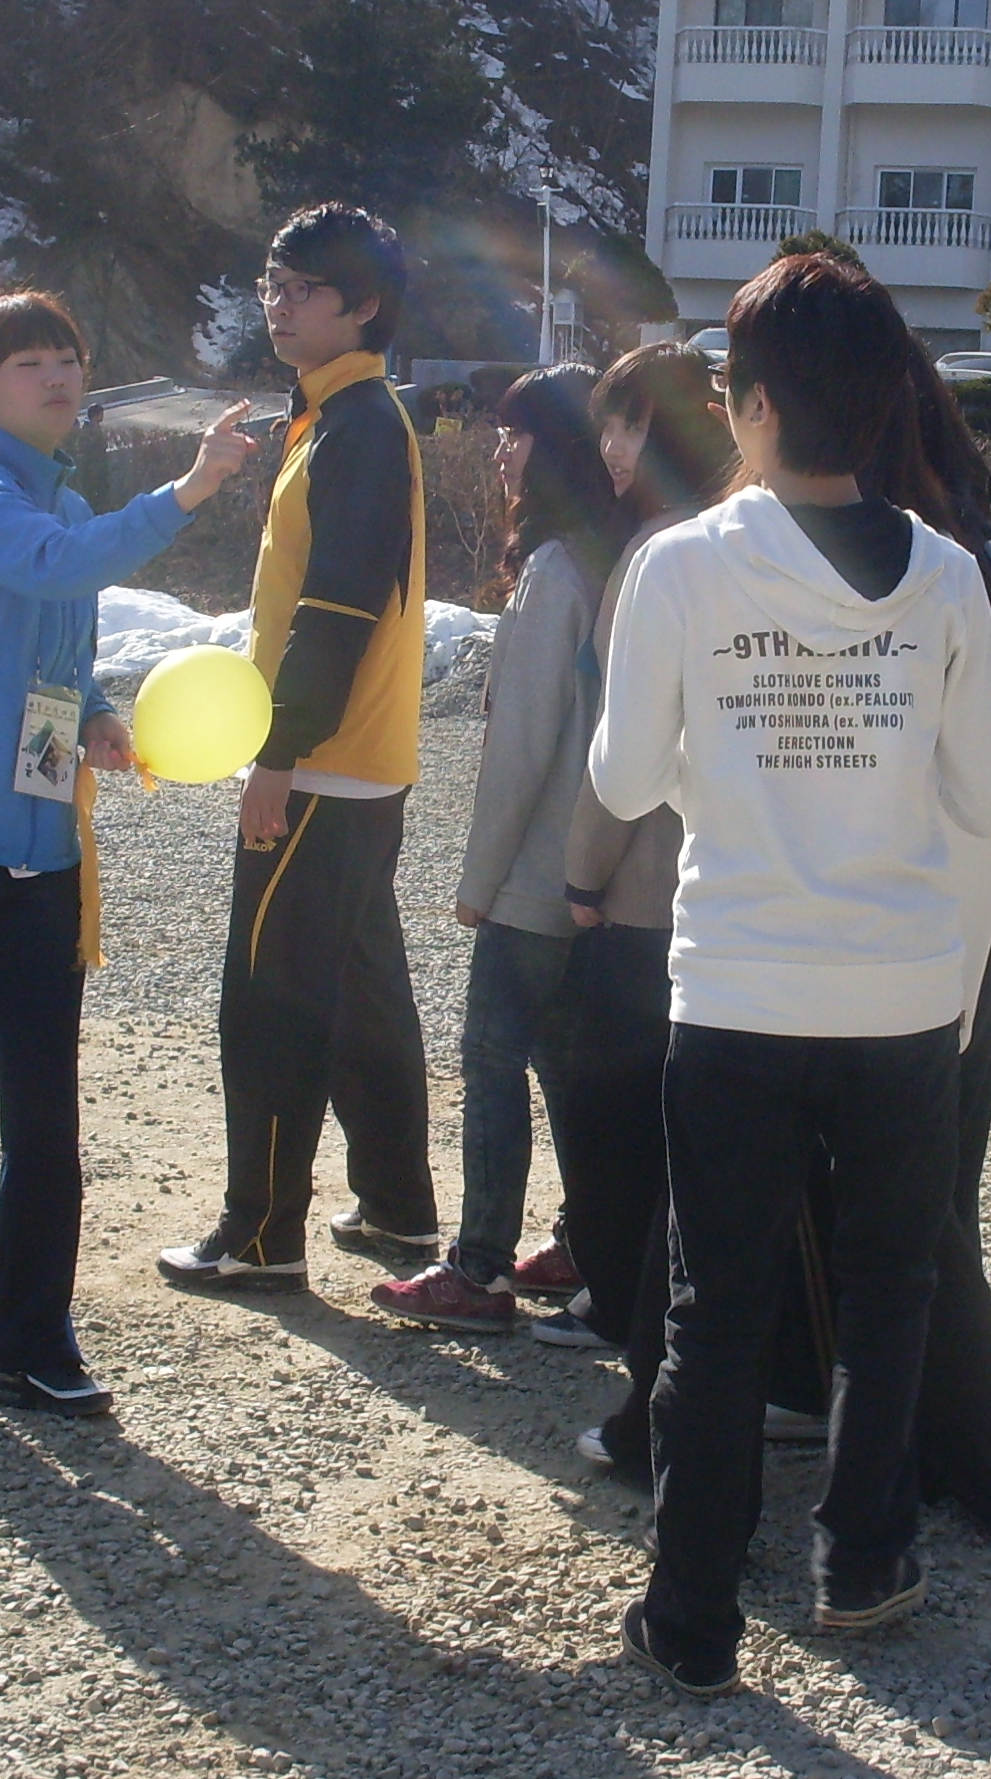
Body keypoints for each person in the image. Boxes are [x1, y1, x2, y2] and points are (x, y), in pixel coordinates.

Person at [590, 254, 991, 1695]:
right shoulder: (948, 575)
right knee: (889, 1286)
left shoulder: (679, 565)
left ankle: (693, 1614)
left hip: (735, 987)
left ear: (757, 405)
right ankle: (861, 1556)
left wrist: (724, 762)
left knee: (713, 1307)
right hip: (902, 994)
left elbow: (624, 776)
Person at [0, 288, 253, 1414]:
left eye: (68, 355)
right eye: (29, 361)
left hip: (40, 857)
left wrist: (100, 713)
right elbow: (61, 566)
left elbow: (58, 645)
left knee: (45, 1113)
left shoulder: (61, 500)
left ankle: (30, 1341)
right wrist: (190, 490)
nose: (59, 375)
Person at [162, 206, 441, 1288]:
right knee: (364, 993)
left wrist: (277, 752)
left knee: (270, 997)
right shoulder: (336, 414)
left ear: (362, 305)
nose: (278, 305)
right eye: (271, 284)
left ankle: (261, 1231)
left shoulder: (358, 424)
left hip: (323, 759)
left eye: (303, 288)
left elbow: (338, 606)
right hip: (357, 759)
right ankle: (398, 1210)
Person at [372, 365, 622, 1331]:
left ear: (554, 449)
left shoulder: (554, 571)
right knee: (562, 1061)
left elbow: (521, 744)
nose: (501, 450)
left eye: (516, 434)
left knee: (491, 1056)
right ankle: (586, 1238)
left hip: (538, 869)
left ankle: (476, 1271)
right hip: (594, 863)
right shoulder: (609, 555)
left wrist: (479, 881)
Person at [551, 345, 740, 1388]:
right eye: (606, 426)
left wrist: (583, 873)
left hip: (642, 886)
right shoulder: (748, 538)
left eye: (629, 424)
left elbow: (616, 747)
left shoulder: (658, 553)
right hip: (723, 887)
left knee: (608, 1102)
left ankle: (620, 1297)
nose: (612, 448)